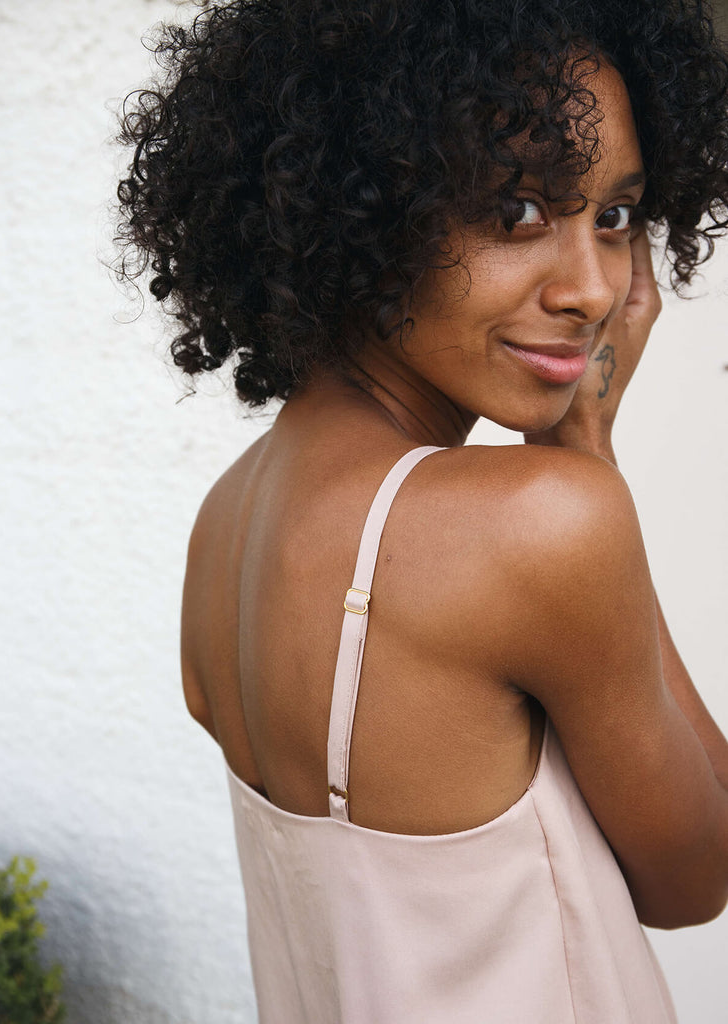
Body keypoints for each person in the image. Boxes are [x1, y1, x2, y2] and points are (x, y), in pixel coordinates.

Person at [116, 1, 728, 1020]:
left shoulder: (226, 521)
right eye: (517, 210)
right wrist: (584, 456)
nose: (589, 286)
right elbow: (698, 873)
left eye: (613, 215)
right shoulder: (538, 521)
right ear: (362, 205)